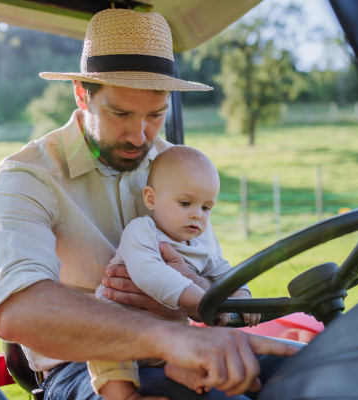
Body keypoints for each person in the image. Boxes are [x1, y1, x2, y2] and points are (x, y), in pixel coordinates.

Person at [0, 8, 296, 400]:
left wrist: (193, 293)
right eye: (120, 113)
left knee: (320, 369)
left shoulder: (174, 167)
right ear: (83, 94)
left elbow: (213, 275)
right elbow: (18, 309)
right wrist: (164, 335)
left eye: (155, 114)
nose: (138, 135)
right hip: (85, 368)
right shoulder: (27, 176)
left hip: (184, 346)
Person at [89, 146, 262, 400]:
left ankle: (183, 369)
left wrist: (242, 295)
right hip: (119, 329)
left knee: (199, 341)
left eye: (206, 208)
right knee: (104, 347)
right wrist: (202, 299)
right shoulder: (142, 231)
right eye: (185, 203)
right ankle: (125, 396)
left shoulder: (199, 245)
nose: (197, 215)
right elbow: (150, 274)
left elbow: (225, 272)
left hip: (168, 338)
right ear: (151, 199)